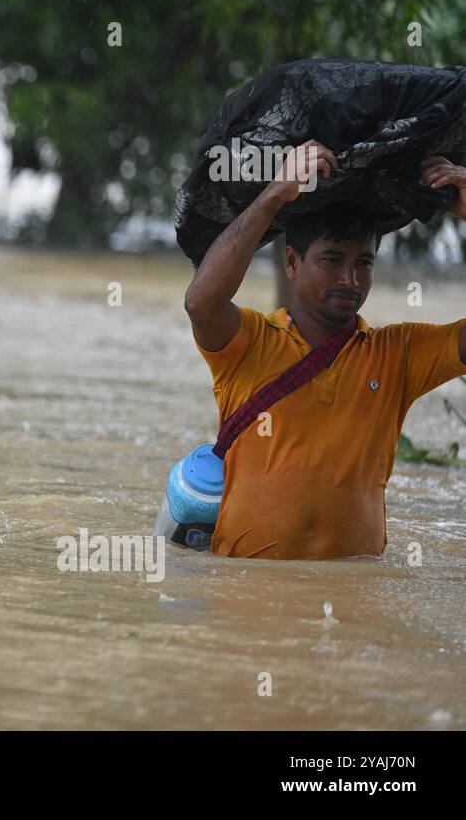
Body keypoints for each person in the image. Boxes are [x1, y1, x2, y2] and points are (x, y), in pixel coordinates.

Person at [182, 140, 466, 558]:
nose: (350, 280)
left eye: (363, 264)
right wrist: (274, 195)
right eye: (332, 260)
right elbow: (200, 303)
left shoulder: (398, 353)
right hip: (247, 600)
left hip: (355, 603)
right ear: (292, 263)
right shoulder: (251, 342)